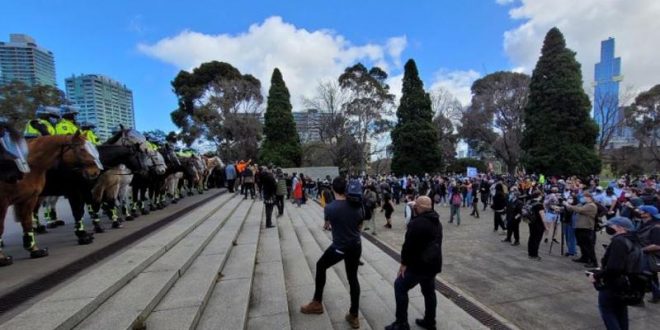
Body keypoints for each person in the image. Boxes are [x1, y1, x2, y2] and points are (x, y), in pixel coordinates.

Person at [301, 176, 363, 329]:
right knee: (353, 278)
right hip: (356, 245)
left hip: (340, 247)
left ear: (333, 189)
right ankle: (354, 315)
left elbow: (327, 224)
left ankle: (317, 303)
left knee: (321, 265)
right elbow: (360, 226)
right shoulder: (358, 205)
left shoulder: (330, 207)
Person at [385, 196, 441, 330]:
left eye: (415, 206)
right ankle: (430, 321)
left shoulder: (416, 223)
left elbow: (408, 246)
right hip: (433, 264)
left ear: (421, 208)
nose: (414, 208)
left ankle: (401, 323)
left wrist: (404, 264)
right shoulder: (437, 222)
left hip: (419, 265)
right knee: (429, 292)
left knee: (400, 285)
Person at [588, 217, 638, 330]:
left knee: (607, 311)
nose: (608, 228)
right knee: (620, 312)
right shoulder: (632, 239)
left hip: (613, 283)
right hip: (626, 282)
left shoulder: (619, 241)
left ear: (620, 228)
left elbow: (614, 268)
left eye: (611, 226)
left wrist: (596, 275)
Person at [564, 191, 599, 268]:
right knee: (582, 244)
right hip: (580, 227)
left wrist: (568, 205)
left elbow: (580, 210)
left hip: (586, 228)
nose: (583, 198)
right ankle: (584, 258)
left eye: (584, 197)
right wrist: (566, 205)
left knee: (588, 246)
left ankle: (593, 262)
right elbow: (573, 208)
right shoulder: (584, 204)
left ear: (589, 198)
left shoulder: (591, 205)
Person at [637, 205, 660, 303]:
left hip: (649, 255)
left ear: (648, 214)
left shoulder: (656, 228)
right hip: (645, 254)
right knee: (650, 276)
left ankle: (639, 298)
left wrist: (641, 250)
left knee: (645, 276)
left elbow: (657, 246)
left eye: (642, 211)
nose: (640, 212)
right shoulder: (645, 223)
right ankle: (656, 296)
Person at [526, 190, 546, 261]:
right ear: (539, 196)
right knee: (537, 239)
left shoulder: (529, 202)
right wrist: (546, 227)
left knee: (531, 237)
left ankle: (530, 253)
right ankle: (534, 255)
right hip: (538, 224)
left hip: (531, 222)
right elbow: (543, 216)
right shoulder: (539, 205)